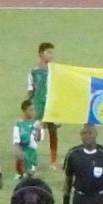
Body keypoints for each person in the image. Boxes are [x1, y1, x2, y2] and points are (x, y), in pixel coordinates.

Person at [27, 41, 60, 169]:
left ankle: (53, 160)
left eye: (52, 53)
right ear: (41, 54)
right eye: (48, 52)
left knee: (53, 132)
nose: (51, 55)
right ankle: (31, 161)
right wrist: (28, 105)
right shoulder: (34, 71)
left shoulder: (56, 70)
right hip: (38, 105)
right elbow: (31, 89)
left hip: (52, 104)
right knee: (35, 133)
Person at [12, 98, 43, 176]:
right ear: (24, 111)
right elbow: (16, 139)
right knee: (22, 173)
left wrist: (38, 130)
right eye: (30, 110)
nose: (33, 112)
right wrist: (17, 149)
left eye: (33, 110)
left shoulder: (36, 123)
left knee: (31, 174)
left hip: (32, 153)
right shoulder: (19, 124)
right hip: (22, 150)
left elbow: (38, 139)